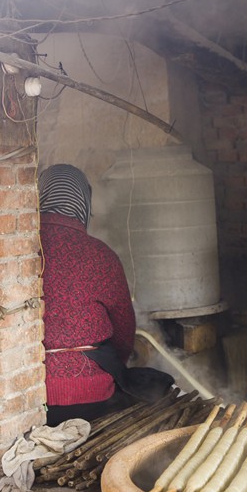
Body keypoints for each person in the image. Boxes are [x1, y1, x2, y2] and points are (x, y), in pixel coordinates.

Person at [38, 164, 150, 427]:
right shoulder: (101, 255)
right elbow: (123, 330)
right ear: (84, 204)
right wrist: (116, 366)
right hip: (93, 398)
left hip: (31, 400)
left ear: (41, 197)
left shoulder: (19, 248)